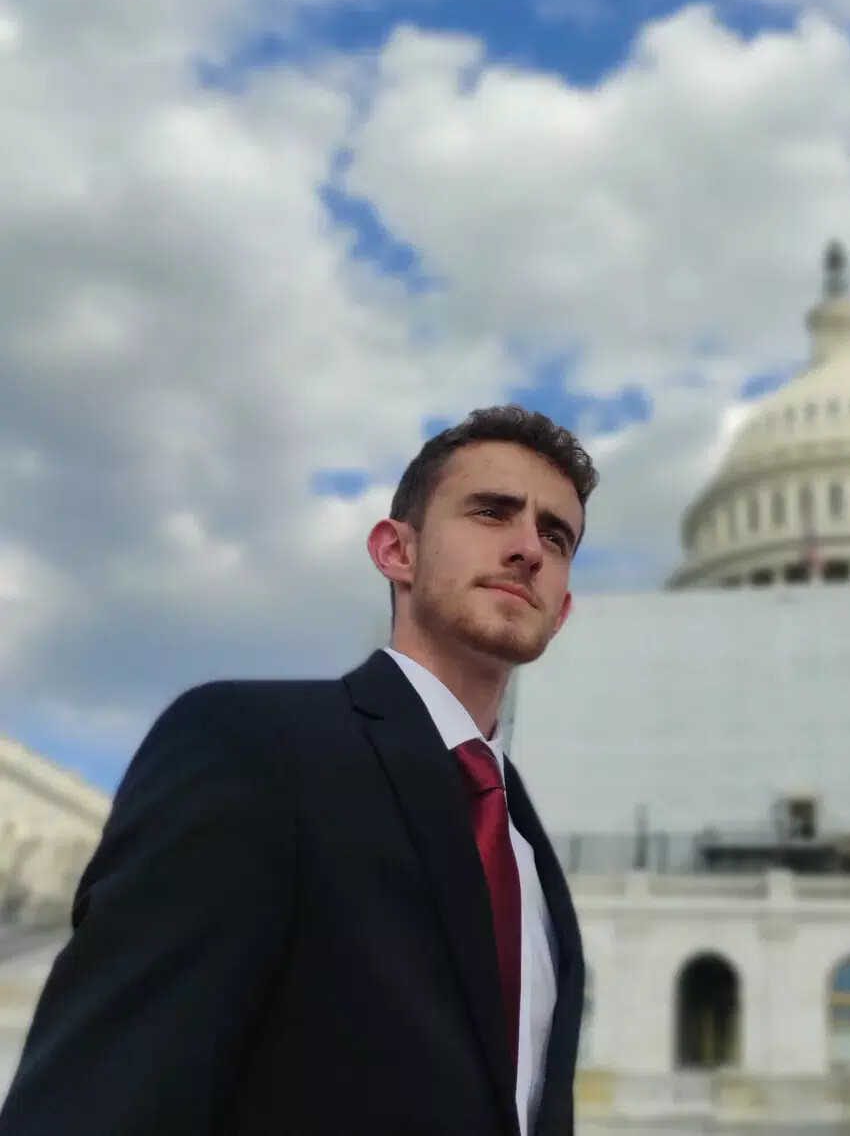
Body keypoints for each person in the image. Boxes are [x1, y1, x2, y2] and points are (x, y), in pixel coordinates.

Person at [0, 405, 598, 1136]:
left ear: (561, 609)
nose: (528, 548)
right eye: (491, 512)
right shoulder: (249, 746)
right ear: (395, 552)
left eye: (555, 534)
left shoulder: (531, 859)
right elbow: (103, 1093)